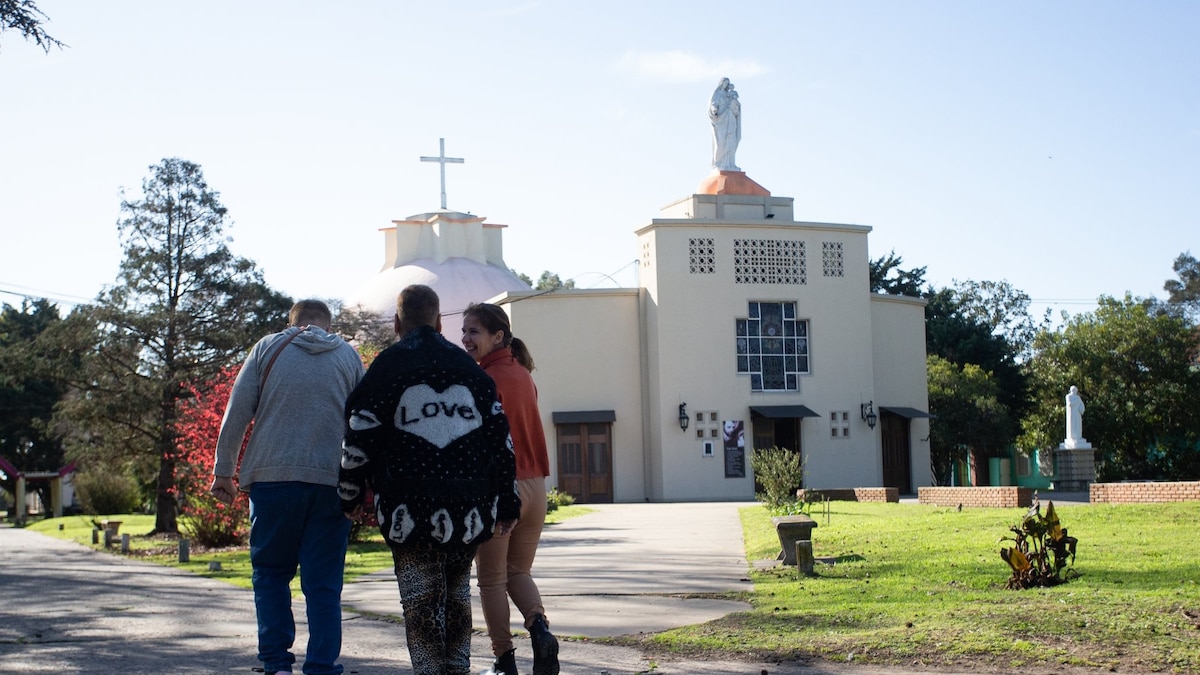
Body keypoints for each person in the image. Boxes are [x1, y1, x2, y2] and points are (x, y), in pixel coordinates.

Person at [339, 285, 520, 675]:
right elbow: (500, 439)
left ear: (396, 323)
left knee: (420, 600)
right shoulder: (470, 369)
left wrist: (350, 493)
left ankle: (429, 670)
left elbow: (359, 432)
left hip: (408, 507)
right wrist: (508, 500)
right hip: (469, 506)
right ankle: (456, 669)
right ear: (440, 322)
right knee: (456, 595)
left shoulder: (387, 366)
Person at [210, 299, 364, 675]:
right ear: (329, 325)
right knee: (324, 583)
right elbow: (364, 423)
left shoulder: (267, 347)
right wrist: (365, 485)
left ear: (290, 323)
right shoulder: (348, 357)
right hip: (331, 481)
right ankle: (321, 665)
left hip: (272, 478)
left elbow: (237, 410)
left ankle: (277, 664)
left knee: (271, 574)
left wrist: (223, 472)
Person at [461, 302, 559, 675]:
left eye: (474, 331)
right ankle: (540, 630)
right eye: (464, 331)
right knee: (518, 570)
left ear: (498, 336)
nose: (466, 339)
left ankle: (504, 660)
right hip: (537, 486)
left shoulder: (485, 379)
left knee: (491, 578)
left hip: (503, 487)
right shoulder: (523, 375)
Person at [709, 77, 741, 171]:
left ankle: (730, 163)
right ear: (721, 83)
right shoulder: (717, 93)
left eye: (727, 83)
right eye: (725, 83)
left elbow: (736, 105)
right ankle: (719, 163)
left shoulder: (729, 94)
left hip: (730, 118)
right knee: (721, 141)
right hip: (721, 119)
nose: (726, 85)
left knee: (732, 140)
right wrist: (714, 109)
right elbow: (712, 104)